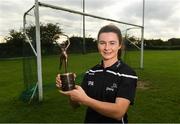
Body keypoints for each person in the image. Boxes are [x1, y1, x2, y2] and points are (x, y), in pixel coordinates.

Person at [56, 24, 138, 123]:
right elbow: (75, 105)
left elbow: (118, 112)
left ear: (119, 45)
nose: (107, 48)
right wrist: (69, 87)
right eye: (102, 43)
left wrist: (86, 100)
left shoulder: (127, 73)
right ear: (97, 45)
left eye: (112, 43)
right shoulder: (91, 72)